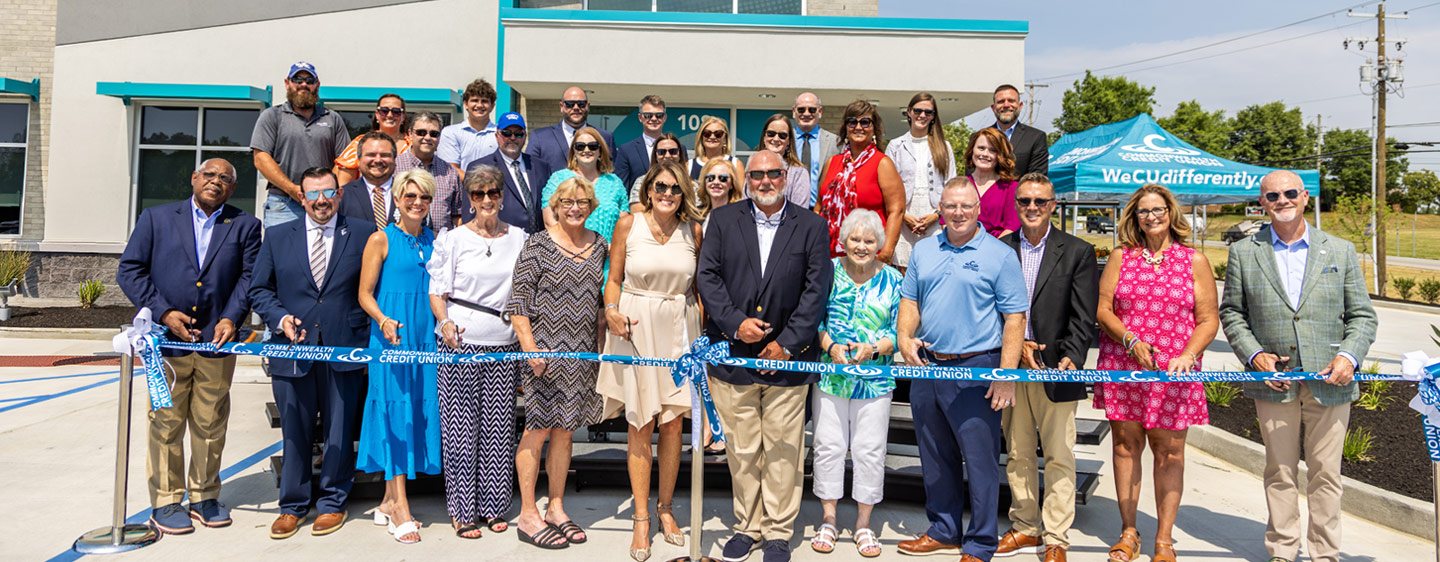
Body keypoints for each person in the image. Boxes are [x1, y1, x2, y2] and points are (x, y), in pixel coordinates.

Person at [1219, 170, 1377, 562]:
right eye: (1273, 196)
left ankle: (1325, 553)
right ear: (1262, 203)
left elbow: (1362, 316)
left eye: (1290, 193)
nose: (1282, 200)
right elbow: (1233, 314)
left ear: (1306, 197)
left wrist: (1349, 357)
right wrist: (1255, 356)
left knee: (1326, 473)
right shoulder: (1243, 251)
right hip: (1274, 381)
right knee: (1280, 470)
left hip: (1332, 379)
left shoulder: (1339, 250)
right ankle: (1283, 550)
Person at [696, 150, 832, 562]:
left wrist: (788, 343)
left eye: (774, 174)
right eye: (758, 175)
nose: (766, 181)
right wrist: (736, 323)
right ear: (747, 178)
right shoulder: (722, 220)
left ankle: (777, 532)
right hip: (734, 357)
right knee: (741, 450)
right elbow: (708, 276)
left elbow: (815, 289)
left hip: (789, 361)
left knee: (783, 449)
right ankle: (747, 526)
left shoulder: (811, 225)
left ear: (786, 177)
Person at [117, 158, 262, 535]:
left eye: (226, 179)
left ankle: (204, 496)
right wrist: (164, 313)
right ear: (194, 178)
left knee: (211, 422)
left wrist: (232, 317)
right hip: (166, 346)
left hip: (217, 343)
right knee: (165, 423)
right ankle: (166, 501)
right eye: (210, 175)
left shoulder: (245, 225)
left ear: (233, 188)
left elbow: (249, 277)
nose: (217, 182)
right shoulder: (156, 218)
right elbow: (130, 269)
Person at [895, 177, 1026, 561]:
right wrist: (904, 339)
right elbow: (910, 302)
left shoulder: (999, 254)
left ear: (978, 209)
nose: (958, 213)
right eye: (950, 206)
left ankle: (981, 541)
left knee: (980, 458)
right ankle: (943, 530)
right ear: (941, 209)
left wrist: (1006, 375)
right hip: (928, 367)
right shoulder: (924, 250)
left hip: (977, 368)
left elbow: (1015, 319)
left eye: (966, 206)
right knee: (935, 455)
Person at [249, 167, 375, 539]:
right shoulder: (275, 236)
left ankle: (333, 501)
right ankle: (292, 505)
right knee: (295, 431)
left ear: (338, 194)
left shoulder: (364, 233)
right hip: (292, 349)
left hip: (343, 346)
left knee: (338, 429)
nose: (322, 201)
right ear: (301, 197)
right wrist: (278, 317)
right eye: (313, 194)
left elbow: (372, 288)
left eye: (328, 192)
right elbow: (259, 290)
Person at [1095, 183, 1219, 562]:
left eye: (1158, 209)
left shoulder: (1193, 260)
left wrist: (1189, 354)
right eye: (1143, 211)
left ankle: (1163, 539)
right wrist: (1130, 339)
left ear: (1171, 213)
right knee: (1125, 447)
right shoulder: (1121, 257)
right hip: (1124, 364)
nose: (1152, 216)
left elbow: (1208, 319)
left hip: (1174, 374)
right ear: (1134, 217)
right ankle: (1129, 531)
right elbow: (1103, 311)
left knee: (1170, 454)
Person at [597, 160, 705, 561]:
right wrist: (610, 310)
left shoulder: (693, 229)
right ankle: (641, 517)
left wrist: (702, 339)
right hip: (636, 327)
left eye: (675, 189)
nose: (667, 194)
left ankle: (666, 509)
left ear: (684, 195)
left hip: (681, 329)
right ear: (648, 189)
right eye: (661, 186)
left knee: (674, 423)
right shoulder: (628, 224)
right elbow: (614, 278)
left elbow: (699, 289)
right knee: (640, 422)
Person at [996, 173, 1098, 562]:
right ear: (1017, 205)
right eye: (1025, 201)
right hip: (1013, 369)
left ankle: (1056, 537)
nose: (1032, 208)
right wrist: (1016, 346)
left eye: (1040, 201)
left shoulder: (1077, 251)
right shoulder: (1003, 249)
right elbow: (996, 310)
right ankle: (1025, 526)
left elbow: (1083, 315)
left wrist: (1072, 356)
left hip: (1057, 369)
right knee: (1019, 452)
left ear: (1054, 205)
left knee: (1058, 454)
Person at [506, 176, 609, 550]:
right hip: (543, 356)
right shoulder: (537, 245)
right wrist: (531, 350)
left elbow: (600, 305)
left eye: (582, 202)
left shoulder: (599, 246)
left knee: (566, 432)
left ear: (592, 206)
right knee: (537, 429)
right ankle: (529, 513)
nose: (575, 208)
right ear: (556, 205)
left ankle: (557, 507)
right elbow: (517, 304)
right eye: (567, 202)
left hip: (581, 355)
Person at [428, 164, 529, 540]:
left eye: (492, 192)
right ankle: (462, 510)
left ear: (502, 196)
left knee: (498, 431)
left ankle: (494, 506)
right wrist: (445, 322)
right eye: (478, 194)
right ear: (469, 199)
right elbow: (438, 291)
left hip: (503, 346)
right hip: (460, 346)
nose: (486, 200)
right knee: (460, 430)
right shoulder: (452, 239)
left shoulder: (519, 237)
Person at [807, 209, 901, 559]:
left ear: (879, 244)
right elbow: (812, 318)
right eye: (855, 239)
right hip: (832, 377)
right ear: (843, 241)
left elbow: (901, 330)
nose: (861, 246)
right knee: (828, 445)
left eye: (869, 240)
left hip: (875, 380)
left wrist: (875, 348)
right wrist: (830, 346)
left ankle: (863, 524)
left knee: (869, 449)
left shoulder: (893, 280)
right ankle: (829, 519)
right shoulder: (827, 271)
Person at [356, 169, 442, 544]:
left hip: (426, 339)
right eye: (410, 196)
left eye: (424, 197)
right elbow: (364, 293)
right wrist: (383, 319)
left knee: (417, 413)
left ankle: (390, 500)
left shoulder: (434, 239)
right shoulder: (380, 239)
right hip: (392, 338)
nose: (417, 203)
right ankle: (402, 508)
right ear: (396, 199)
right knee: (394, 411)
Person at [251, 62, 351, 228]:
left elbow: (344, 161)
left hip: (323, 203)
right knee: (282, 253)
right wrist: (294, 189)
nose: (303, 84)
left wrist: (324, 190)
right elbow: (261, 159)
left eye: (309, 80)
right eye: (298, 79)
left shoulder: (332, 118)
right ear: (287, 83)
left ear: (317, 85)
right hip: (284, 203)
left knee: (325, 253)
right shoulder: (272, 116)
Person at [816, 100, 904, 261]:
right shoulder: (832, 162)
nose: (858, 127)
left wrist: (886, 252)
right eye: (852, 122)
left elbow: (896, 210)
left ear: (874, 128)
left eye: (865, 122)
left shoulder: (882, 163)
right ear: (845, 128)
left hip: (867, 255)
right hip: (829, 254)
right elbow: (819, 207)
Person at [885, 92, 956, 270]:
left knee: (933, 269)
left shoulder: (944, 147)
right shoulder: (895, 145)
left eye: (928, 112)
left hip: (934, 220)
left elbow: (951, 186)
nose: (922, 115)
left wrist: (937, 215)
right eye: (918, 110)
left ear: (933, 117)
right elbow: (886, 188)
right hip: (904, 217)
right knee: (903, 270)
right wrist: (903, 216)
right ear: (909, 112)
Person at [468, 112, 553, 233]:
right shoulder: (479, 167)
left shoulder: (541, 167)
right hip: (499, 241)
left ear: (525, 137)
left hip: (537, 244)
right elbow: (470, 213)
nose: (513, 138)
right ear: (497, 135)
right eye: (507, 133)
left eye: (518, 134)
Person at [541, 126, 629, 241]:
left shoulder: (614, 182)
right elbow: (549, 221)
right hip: (568, 254)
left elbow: (624, 224)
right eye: (580, 146)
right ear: (574, 151)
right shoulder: (558, 179)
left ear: (600, 151)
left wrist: (610, 249)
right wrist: (569, 248)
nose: (586, 150)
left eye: (592, 146)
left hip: (608, 254)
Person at [527, 86, 617, 173]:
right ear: (561, 106)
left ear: (588, 106)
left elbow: (612, 171)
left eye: (581, 104)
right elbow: (531, 173)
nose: (576, 108)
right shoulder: (540, 138)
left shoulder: (605, 137)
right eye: (570, 104)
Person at [396, 111, 461, 232]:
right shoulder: (394, 167)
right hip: (403, 242)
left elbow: (457, 215)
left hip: (441, 244)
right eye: (421, 132)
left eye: (434, 134)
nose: (427, 138)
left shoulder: (450, 172)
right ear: (410, 134)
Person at [334, 94, 409, 186]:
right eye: (384, 111)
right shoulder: (360, 143)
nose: (389, 115)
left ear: (403, 116)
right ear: (377, 115)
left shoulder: (412, 146)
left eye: (396, 111)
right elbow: (344, 186)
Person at [963, 127, 1021, 238]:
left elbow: (1012, 229)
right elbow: (946, 222)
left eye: (993, 150)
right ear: (972, 150)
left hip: (997, 249)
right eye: (981, 148)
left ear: (1001, 155)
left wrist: (988, 250)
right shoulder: (959, 185)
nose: (985, 154)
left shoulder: (1011, 188)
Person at [438, 78, 500, 174]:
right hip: (460, 188)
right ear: (466, 104)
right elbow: (450, 170)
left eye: (484, 101)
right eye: (475, 100)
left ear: (492, 106)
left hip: (493, 188)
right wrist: (477, 186)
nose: (479, 105)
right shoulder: (451, 133)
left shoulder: (501, 134)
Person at [338, 132, 399, 228]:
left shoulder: (408, 192)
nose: (378, 160)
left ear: (394, 160)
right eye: (371, 155)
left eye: (384, 155)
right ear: (358, 160)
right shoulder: (343, 196)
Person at [990, 84, 1049, 177]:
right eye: (1001, 101)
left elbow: (1036, 178)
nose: (1006, 105)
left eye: (1011, 101)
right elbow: (973, 177)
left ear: (1020, 106)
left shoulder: (1036, 138)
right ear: (993, 108)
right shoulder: (980, 138)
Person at [792, 92, 841, 205]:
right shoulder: (784, 140)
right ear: (794, 112)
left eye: (812, 110)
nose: (806, 113)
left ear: (820, 112)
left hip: (823, 210)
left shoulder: (836, 142)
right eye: (801, 110)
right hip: (790, 211)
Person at [756, 113, 812, 208]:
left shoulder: (799, 173)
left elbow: (799, 212)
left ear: (789, 140)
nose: (776, 139)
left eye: (782, 135)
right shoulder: (753, 169)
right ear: (764, 137)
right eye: (771, 134)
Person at [614, 95, 668, 190]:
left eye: (659, 115)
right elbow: (621, 189)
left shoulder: (678, 150)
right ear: (640, 117)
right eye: (648, 115)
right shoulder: (626, 150)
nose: (654, 119)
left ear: (664, 117)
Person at [627, 133, 688, 212]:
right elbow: (636, 210)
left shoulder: (690, 184)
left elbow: (694, 212)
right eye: (661, 152)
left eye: (673, 151)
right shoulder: (642, 181)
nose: (667, 155)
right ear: (655, 155)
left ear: (680, 155)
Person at [688, 116, 743, 180]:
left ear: (725, 138)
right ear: (701, 137)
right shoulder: (689, 166)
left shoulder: (736, 164)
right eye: (707, 133)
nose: (712, 137)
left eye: (718, 134)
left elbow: (740, 190)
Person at [698, 158, 744, 232]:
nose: (716, 182)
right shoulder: (695, 215)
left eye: (723, 178)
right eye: (710, 178)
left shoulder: (742, 216)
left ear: (732, 184)